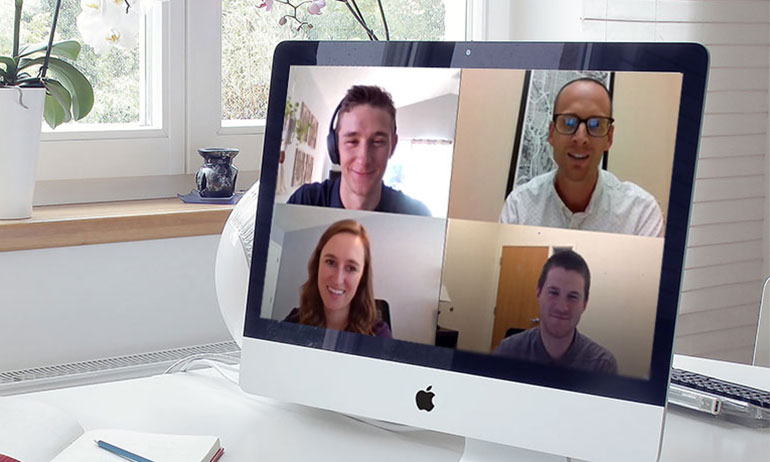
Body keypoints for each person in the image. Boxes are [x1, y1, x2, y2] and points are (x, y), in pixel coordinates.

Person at [499, 78, 664, 237]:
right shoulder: (519, 206)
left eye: (596, 124)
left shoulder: (641, 213)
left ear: (609, 138)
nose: (581, 138)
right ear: (551, 133)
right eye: (569, 122)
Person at [288, 85, 431, 216]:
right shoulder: (304, 202)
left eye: (378, 142)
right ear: (335, 145)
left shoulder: (417, 215)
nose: (364, 159)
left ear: (392, 147)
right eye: (352, 141)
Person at [494, 250, 618, 374]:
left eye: (573, 296)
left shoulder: (602, 366)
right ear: (538, 292)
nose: (561, 307)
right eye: (553, 292)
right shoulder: (507, 353)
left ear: (585, 303)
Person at [283, 219, 392, 338]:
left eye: (351, 268)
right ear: (317, 264)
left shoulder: (379, 335)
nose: (337, 280)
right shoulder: (293, 321)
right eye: (330, 262)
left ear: (362, 276)